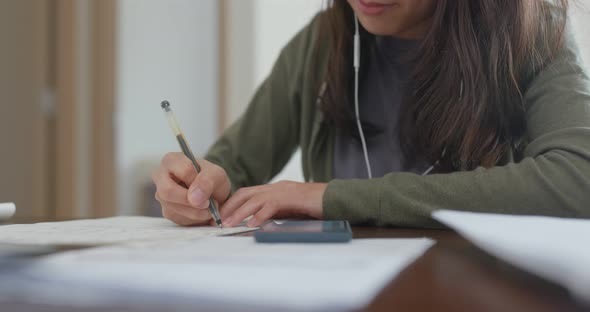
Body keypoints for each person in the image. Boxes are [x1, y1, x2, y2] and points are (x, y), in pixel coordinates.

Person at [152, 0, 590, 228]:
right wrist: (196, 186)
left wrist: (331, 198)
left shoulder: (533, 34)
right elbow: (231, 168)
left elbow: (578, 179)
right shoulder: (320, 44)